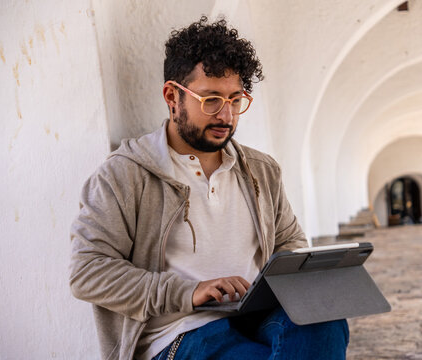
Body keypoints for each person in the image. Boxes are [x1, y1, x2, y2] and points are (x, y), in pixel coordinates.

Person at [69, 16, 349, 360]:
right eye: (210, 99)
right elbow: (87, 272)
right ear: (172, 97)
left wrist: (289, 275)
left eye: (235, 99)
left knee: (325, 316)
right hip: (179, 333)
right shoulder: (125, 175)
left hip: (253, 314)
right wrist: (190, 291)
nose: (226, 116)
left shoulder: (261, 170)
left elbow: (290, 241)